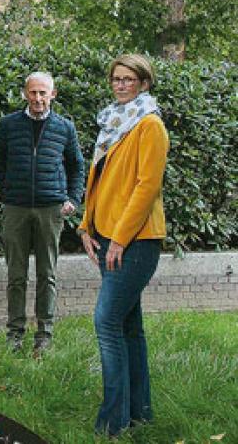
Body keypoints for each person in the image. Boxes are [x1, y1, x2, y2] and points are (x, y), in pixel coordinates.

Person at [78, 54, 169, 437]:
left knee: (107, 320)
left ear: (144, 83)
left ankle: (112, 423)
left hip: (135, 240)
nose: (120, 85)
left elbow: (146, 187)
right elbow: (99, 179)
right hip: (106, 236)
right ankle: (139, 415)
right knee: (129, 326)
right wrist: (85, 227)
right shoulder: (114, 123)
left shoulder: (150, 125)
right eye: (116, 78)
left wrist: (119, 238)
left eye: (128, 79)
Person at [0, 71, 85, 354]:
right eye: (33, 92)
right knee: (16, 275)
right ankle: (15, 335)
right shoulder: (8, 125)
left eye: (43, 93)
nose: (38, 98)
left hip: (50, 209)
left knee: (47, 274)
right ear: (25, 94)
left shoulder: (65, 128)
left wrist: (72, 199)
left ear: (53, 95)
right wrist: (8, 192)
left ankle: (44, 335)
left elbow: (77, 166)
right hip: (16, 208)